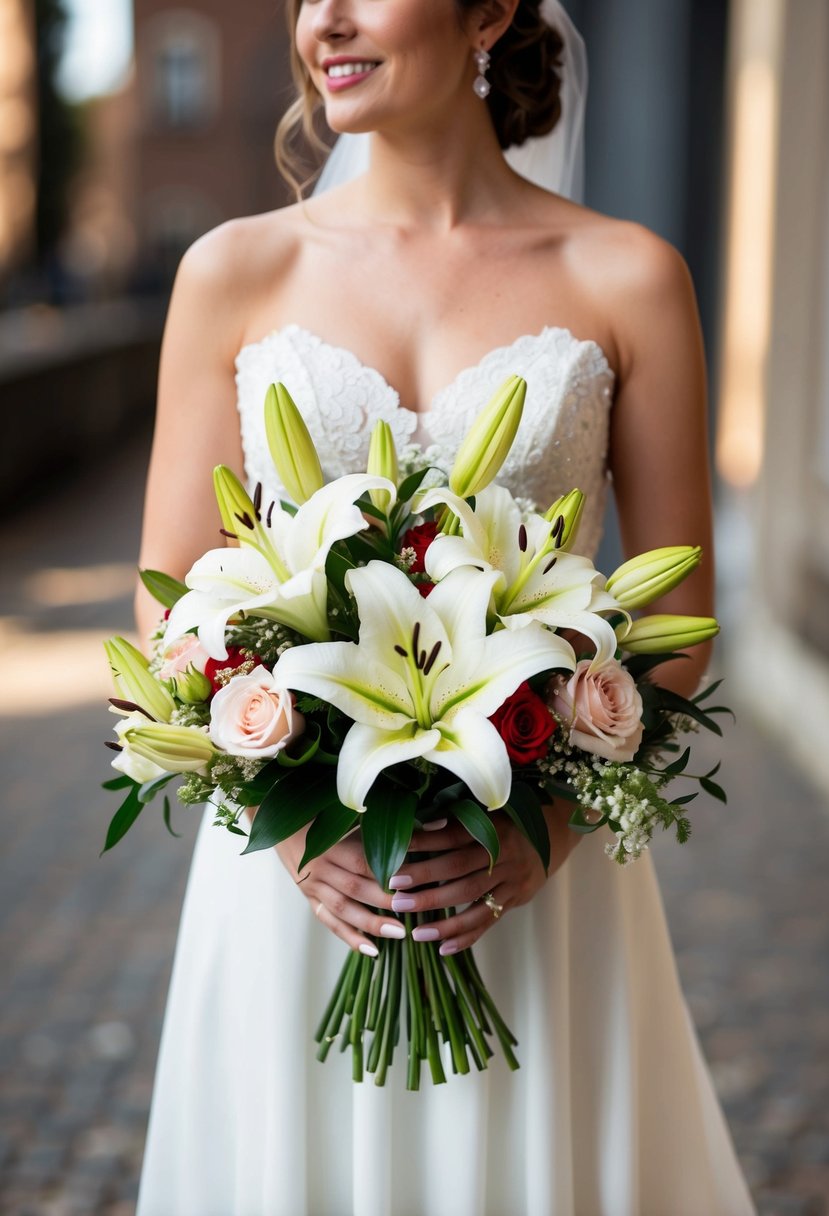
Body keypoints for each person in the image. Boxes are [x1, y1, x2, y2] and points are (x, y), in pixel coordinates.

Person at [134, 1, 757, 1213]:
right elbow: (165, 615)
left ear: (486, 11)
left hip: (525, 888)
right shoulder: (232, 270)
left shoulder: (626, 275)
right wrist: (305, 834)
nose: (326, 20)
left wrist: (550, 836)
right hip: (298, 898)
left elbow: (680, 625)